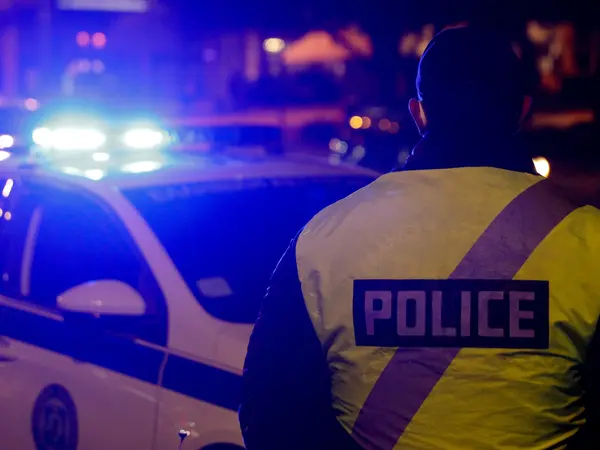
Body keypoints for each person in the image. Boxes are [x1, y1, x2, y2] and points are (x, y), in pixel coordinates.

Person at [239, 26, 600, 449]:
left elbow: (271, 414)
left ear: (419, 112)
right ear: (522, 110)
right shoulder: (587, 237)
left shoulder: (324, 239)